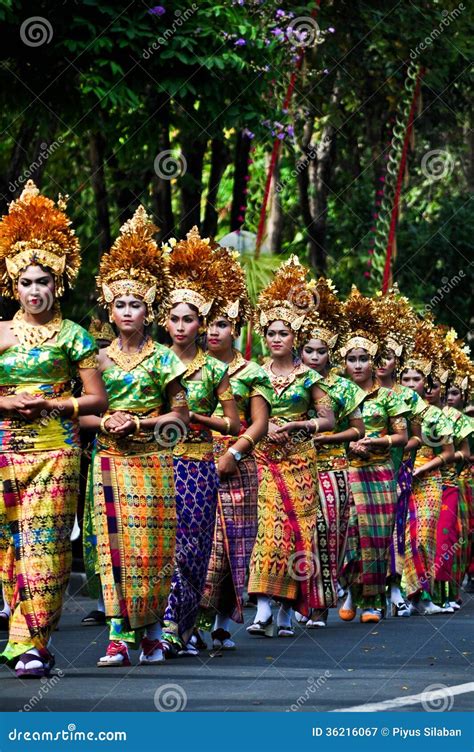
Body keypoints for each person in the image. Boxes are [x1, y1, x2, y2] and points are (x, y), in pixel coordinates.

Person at [0, 181, 107, 677]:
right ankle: (20, 629)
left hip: (57, 450)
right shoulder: (0, 333)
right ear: (12, 284)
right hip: (5, 448)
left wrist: (51, 402)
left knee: (45, 543)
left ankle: (32, 642)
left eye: (44, 280)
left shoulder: (74, 335)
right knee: (10, 545)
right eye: (26, 281)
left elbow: (95, 399)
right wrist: (9, 401)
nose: (35, 290)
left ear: (57, 282)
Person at [82, 206, 189, 667]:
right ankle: (118, 635)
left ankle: (149, 632)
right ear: (111, 309)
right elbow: (80, 416)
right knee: (113, 548)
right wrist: (107, 422)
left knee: (153, 549)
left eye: (137, 304)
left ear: (150, 311)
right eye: (121, 304)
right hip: (109, 461)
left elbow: (181, 417)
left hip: (153, 462)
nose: (128, 311)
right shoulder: (95, 360)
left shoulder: (165, 359)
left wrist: (139, 423)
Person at [161, 227, 240, 656]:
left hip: (197, 465)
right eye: (173, 318)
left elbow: (232, 424)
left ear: (202, 324)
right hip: (152, 462)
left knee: (193, 546)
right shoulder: (152, 362)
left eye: (189, 319)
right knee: (158, 546)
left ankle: (181, 626)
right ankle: (154, 627)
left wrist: (195, 417)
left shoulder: (214, 371)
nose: (180, 326)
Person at [247, 257, 335, 637]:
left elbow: (328, 420)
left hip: (300, 460)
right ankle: (263, 608)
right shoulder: (253, 374)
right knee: (269, 529)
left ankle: (286, 611)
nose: (277, 338)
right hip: (265, 459)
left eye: (284, 332)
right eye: (271, 332)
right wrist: (263, 430)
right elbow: (246, 421)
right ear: (264, 337)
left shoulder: (310, 377)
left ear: (295, 336)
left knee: (299, 533)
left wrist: (301, 424)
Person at [199, 247, 271, 649]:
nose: (213, 332)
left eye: (222, 324)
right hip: (191, 457)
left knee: (229, 545)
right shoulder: (183, 367)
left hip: (236, 461)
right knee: (197, 541)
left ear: (236, 327)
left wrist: (235, 453)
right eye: (207, 323)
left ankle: (223, 621)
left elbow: (258, 423)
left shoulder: (251, 371)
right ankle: (186, 621)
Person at [339, 287, 409, 624]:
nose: (357, 365)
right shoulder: (336, 394)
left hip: (380, 474)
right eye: (351, 359)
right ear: (344, 362)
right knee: (353, 530)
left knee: (378, 536)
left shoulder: (388, 397)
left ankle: (373, 600)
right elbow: (326, 430)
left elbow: (402, 436)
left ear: (373, 362)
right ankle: (351, 590)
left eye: (363, 359)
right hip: (348, 470)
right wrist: (347, 446)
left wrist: (377, 441)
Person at [298, 278, 365, 628]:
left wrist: (329, 438)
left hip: (331, 468)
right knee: (299, 536)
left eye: (320, 351)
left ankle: (320, 605)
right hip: (293, 467)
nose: (313, 357)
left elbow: (358, 430)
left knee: (326, 536)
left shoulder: (341, 386)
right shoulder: (290, 383)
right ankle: (293, 602)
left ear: (330, 354)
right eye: (308, 350)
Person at [373, 287, 425, 616]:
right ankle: (361, 589)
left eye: (387, 356)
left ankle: (394, 586)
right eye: (375, 356)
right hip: (363, 468)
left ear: (398, 360)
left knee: (395, 524)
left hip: (398, 468)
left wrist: (397, 445)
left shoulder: (409, 398)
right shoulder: (355, 390)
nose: (381, 363)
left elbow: (417, 438)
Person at [401, 319, 455, 615]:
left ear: (427, 383)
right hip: (399, 477)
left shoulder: (436, 414)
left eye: (417, 379)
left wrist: (424, 468)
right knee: (399, 536)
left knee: (422, 536)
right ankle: (399, 596)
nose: (411, 384)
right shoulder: (393, 408)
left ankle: (421, 595)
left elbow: (447, 452)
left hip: (429, 479)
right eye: (406, 378)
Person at [429, 328, 472, 611]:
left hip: (448, 482)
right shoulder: (408, 411)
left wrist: (444, 457)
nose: (430, 390)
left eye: (435, 385)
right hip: (415, 481)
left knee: (447, 537)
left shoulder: (454, 418)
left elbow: (465, 453)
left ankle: (446, 592)